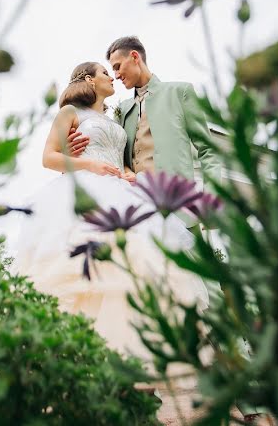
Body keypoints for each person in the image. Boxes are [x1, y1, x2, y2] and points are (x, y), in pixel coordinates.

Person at [11, 61, 208, 360]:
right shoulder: (70, 113)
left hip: (121, 191)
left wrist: (128, 171)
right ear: (90, 79)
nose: (112, 77)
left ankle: (124, 354)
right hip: (86, 190)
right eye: (106, 72)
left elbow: (120, 157)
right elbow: (48, 157)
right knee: (82, 270)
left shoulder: (115, 120)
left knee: (132, 267)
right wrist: (89, 164)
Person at [67, 36, 221, 185]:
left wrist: (211, 200)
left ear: (134, 56)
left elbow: (208, 150)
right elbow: (112, 151)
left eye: (117, 67)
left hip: (176, 200)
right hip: (135, 200)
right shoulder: (122, 109)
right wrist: (74, 150)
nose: (116, 76)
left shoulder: (180, 92)